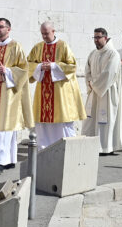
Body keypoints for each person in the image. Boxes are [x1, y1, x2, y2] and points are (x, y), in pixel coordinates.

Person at [0, 18, 34, 175]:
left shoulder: (16, 46)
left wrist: (8, 71)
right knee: (3, 128)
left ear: (8, 29)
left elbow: (24, 70)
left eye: (1, 26)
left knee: (4, 128)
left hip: (9, 93)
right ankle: (10, 159)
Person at [27, 22, 86, 150]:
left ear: (53, 31)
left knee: (62, 124)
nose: (44, 36)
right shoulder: (38, 47)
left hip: (60, 95)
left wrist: (53, 66)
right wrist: (39, 67)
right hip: (42, 93)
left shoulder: (63, 46)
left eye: (47, 33)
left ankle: (67, 151)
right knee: (43, 125)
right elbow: (28, 65)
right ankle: (44, 151)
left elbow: (72, 66)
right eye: (42, 34)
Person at [83, 28, 122, 154]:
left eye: (98, 37)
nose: (96, 40)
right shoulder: (93, 53)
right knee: (90, 119)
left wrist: (95, 85)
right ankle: (90, 144)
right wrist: (90, 83)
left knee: (107, 118)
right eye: (94, 38)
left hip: (107, 91)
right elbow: (87, 70)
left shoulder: (113, 54)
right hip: (94, 90)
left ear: (106, 38)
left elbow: (109, 73)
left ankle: (106, 147)